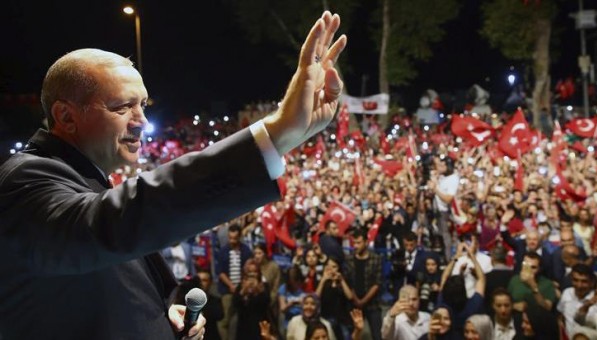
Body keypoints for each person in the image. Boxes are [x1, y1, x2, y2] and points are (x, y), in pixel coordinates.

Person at [0, 11, 347, 339]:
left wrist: (166, 310)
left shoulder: (88, 182)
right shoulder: (24, 180)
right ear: (66, 115)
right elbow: (109, 224)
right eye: (122, 107)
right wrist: (276, 132)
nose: (143, 122)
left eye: (143, 105)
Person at [345, 229, 383, 340]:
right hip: (353, 304)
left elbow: (377, 283)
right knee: (353, 335)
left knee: (377, 335)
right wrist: (356, 299)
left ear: (366, 242)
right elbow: (348, 282)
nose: (355, 246)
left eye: (358, 243)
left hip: (373, 304)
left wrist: (363, 301)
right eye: (354, 243)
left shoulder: (376, 259)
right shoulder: (349, 259)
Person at [217, 224, 253, 339]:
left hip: (243, 291)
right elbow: (220, 272)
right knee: (225, 319)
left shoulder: (246, 250)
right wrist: (231, 285)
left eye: (235, 238)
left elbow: (248, 270)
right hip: (227, 291)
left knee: (244, 319)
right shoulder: (223, 251)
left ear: (240, 237)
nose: (232, 241)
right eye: (230, 238)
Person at [316, 257, 354, 339]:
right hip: (326, 318)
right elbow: (316, 297)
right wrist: (323, 280)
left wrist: (341, 280)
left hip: (342, 319)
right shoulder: (322, 281)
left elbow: (350, 296)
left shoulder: (344, 280)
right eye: (328, 266)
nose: (331, 269)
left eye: (334, 266)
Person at [556, 263, 597, 337]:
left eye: (584, 281)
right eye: (575, 280)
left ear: (592, 282)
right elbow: (560, 317)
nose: (579, 285)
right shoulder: (566, 293)